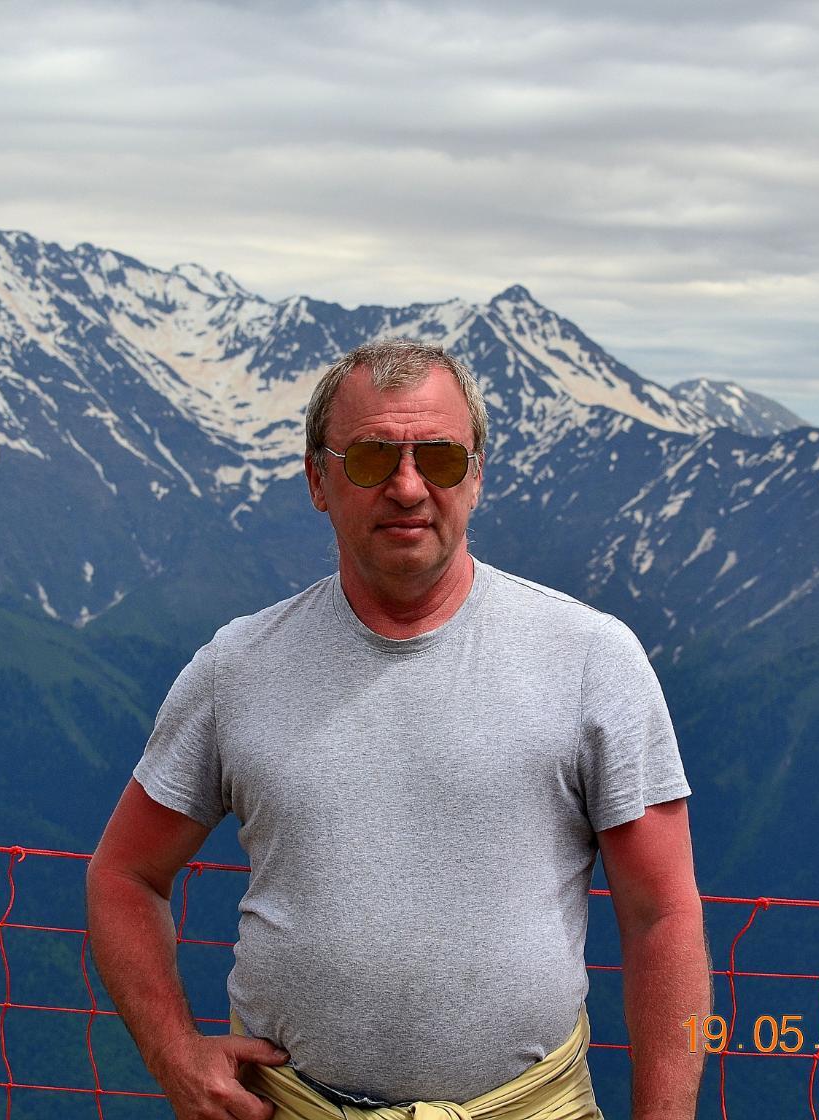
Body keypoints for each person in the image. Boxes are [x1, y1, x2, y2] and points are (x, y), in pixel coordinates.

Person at [87, 339, 711, 1120]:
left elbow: (664, 918)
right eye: (372, 458)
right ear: (318, 479)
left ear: (477, 476)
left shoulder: (592, 659)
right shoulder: (236, 669)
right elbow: (123, 876)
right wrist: (174, 1056)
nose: (409, 487)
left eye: (440, 459)